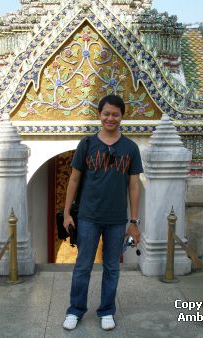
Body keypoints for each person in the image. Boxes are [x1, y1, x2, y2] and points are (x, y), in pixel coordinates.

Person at [62, 95, 143, 331]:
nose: (110, 118)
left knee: (111, 267)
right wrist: (67, 213)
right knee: (82, 266)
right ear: (100, 115)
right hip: (88, 217)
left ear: (122, 117)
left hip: (117, 220)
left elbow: (134, 185)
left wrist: (134, 221)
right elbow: (74, 179)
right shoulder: (87, 144)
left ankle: (106, 310)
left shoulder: (130, 148)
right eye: (106, 113)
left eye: (115, 114)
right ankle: (75, 310)